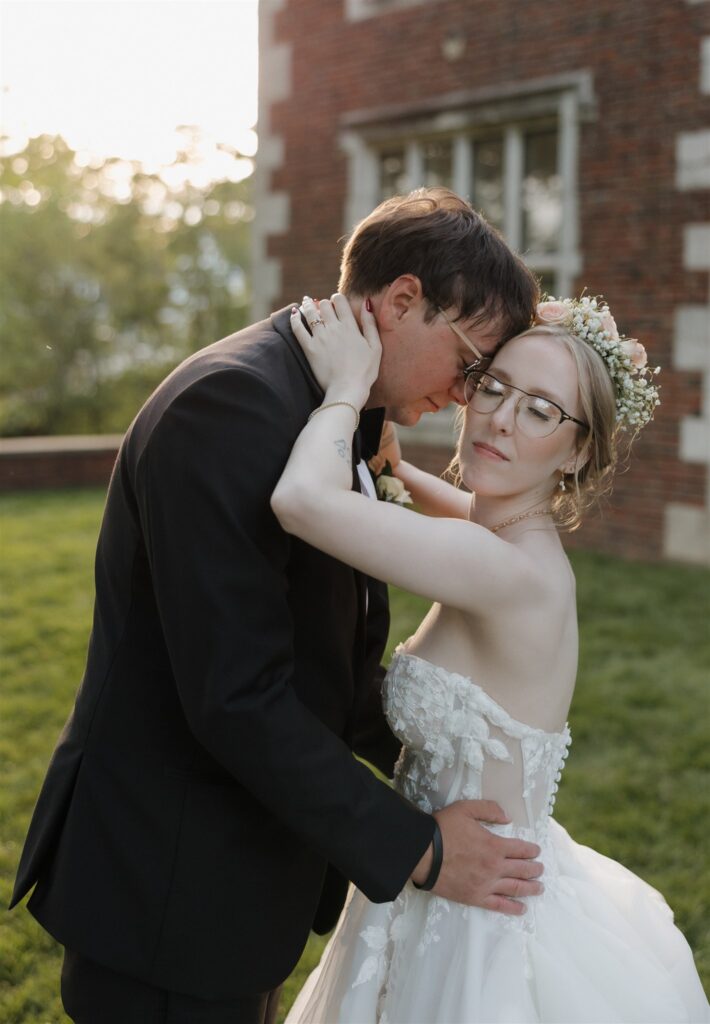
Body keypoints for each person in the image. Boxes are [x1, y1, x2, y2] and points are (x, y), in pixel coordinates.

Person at [9, 189, 544, 1023]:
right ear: (403, 301)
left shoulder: (334, 405)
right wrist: (423, 851)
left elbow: (321, 654)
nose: (470, 395)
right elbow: (236, 698)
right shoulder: (228, 411)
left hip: (241, 876)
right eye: (472, 363)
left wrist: (456, 748)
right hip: (169, 886)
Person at [273, 293, 710, 1023]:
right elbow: (476, 516)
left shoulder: (500, 572)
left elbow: (300, 501)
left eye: (541, 411)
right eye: (495, 387)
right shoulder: (517, 544)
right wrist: (402, 474)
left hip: (474, 924)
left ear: (577, 452)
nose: (501, 417)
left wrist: (348, 390)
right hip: (451, 883)